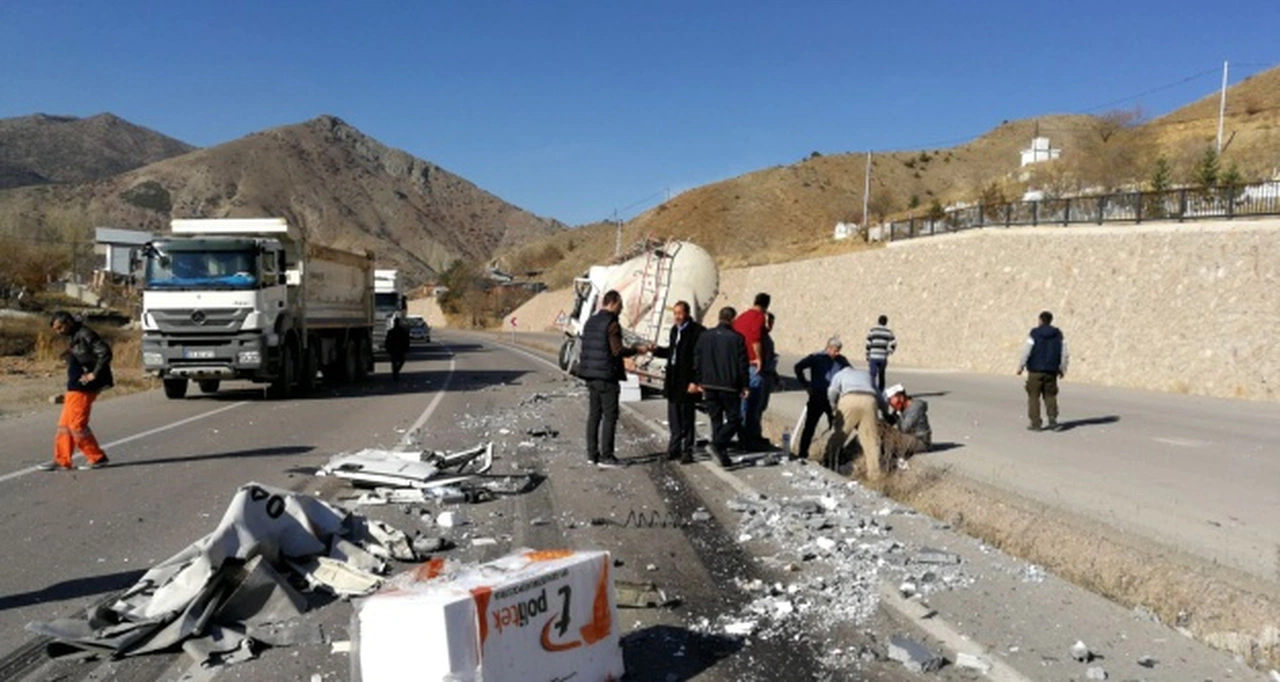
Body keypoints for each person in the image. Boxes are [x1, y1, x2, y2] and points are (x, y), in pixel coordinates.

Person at [578, 290, 650, 468]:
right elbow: (617, 350)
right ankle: (607, 456)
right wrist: (636, 349)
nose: (622, 308)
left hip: (590, 375)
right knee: (610, 416)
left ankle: (591, 454)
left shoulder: (590, 321)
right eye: (620, 305)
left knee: (594, 415)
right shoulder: (612, 323)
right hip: (607, 376)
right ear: (614, 303)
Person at [39, 312, 113, 471]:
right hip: (74, 386)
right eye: (56, 329)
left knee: (77, 426)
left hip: (84, 386)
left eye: (60, 327)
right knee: (64, 425)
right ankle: (61, 460)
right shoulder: (74, 335)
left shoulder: (85, 333)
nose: (59, 332)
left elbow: (105, 352)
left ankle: (97, 457)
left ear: (68, 322)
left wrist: (94, 374)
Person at [693, 306, 748, 468]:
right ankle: (717, 445)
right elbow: (742, 364)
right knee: (735, 419)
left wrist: (698, 380)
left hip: (709, 384)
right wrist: (744, 385)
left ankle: (721, 454)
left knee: (716, 419)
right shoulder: (737, 338)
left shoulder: (705, 336)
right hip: (729, 385)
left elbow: (697, 360)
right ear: (733, 320)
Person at [650, 301, 704, 464]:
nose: (677, 317)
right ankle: (674, 448)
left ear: (687, 313)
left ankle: (687, 450)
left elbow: (699, 359)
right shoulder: (675, 330)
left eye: (680, 313)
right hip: (673, 381)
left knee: (687, 418)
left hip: (687, 381)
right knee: (674, 418)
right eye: (675, 314)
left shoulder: (696, 332)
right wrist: (657, 350)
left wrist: (695, 381)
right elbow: (672, 352)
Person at [826, 363, 887, 481]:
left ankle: (829, 463)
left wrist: (833, 408)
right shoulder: (867, 375)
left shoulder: (840, 374)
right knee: (871, 440)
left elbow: (832, 392)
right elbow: (879, 396)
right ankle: (875, 475)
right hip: (870, 401)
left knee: (840, 435)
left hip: (849, 399)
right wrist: (885, 412)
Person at [793, 337, 850, 460]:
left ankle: (832, 456)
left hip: (833, 398)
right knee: (809, 426)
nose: (837, 353)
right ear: (828, 348)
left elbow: (850, 373)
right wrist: (806, 385)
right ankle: (802, 454)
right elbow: (798, 367)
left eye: (839, 350)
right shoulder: (816, 357)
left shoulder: (842, 361)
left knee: (838, 427)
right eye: (835, 350)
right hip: (817, 396)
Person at [1017, 310, 1069, 431]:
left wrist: (1021, 366)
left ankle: (1036, 423)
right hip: (1051, 370)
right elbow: (1064, 353)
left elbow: (1026, 351)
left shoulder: (1034, 333)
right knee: (1050, 395)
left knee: (1033, 396)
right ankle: (1052, 419)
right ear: (1051, 320)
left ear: (1040, 320)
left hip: (1035, 370)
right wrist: (1062, 368)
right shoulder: (1058, 334)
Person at [732, 292, 771, 450]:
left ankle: (743, 435)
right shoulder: (758, 317)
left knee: (742, 402)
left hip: (740, 364)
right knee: (753, 404)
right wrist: (759, 358)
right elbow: (755, 338)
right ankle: (748, 438)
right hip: (753, 366)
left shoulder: (741, 317)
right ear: (766, 305)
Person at [880, 384, 932, 463]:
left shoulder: (915, 408)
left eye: (891, 400)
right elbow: (890, 421)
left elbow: (905, 428)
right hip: (909, 438)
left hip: (920, 441)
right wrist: (884, 413)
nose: (891, 405)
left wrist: (898, 413)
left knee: (888, 443)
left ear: (901, 397)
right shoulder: (902, 408)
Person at [865, 315, 897, 394]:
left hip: (873, 356)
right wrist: (889, 352)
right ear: (886, 322)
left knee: (872, 375)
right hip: (882, 357)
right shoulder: (889, 332)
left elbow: (868, 343)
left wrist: (867, 354)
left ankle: (871, 390)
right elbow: (893, 343)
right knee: (881, 375)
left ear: (878, 321)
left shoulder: (872, 330)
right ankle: (880, 392)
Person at [384, 316, 410, 380]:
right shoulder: (392, 331)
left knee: (399, 361)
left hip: (398, 349)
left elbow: (406, 340)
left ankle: (395, 372)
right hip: (395, 349)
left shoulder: (401, 331)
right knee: (397, 362)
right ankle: (395, 373)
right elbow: (387, 341)